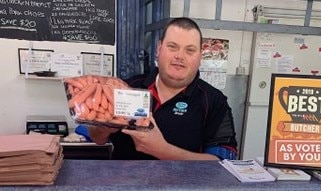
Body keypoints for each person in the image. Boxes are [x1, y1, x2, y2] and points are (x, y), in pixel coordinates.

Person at [89, 17, 237, 160]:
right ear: (159, 49)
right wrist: (103, 128)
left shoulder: (214, 101)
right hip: (124, 185)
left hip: (182, 186)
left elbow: (223, 162)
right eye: (172, 47)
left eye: (190, 50)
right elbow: (96, 139)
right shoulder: (126, 87)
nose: (179, 56)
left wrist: (163, 151)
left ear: (200, 57)